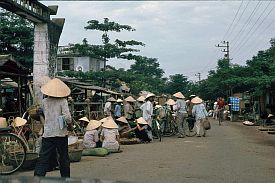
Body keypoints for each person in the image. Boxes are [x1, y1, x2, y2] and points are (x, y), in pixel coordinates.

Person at [34, 78, 72, 177]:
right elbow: (68, 118)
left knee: (43, 158)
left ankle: (37, 177)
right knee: (63, 158)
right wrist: (69, 124)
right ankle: (65, 178)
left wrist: (40, 112)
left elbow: (41, 113)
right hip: (61, 134)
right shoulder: (63, 101)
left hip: (48, 134)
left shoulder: (44, 102)